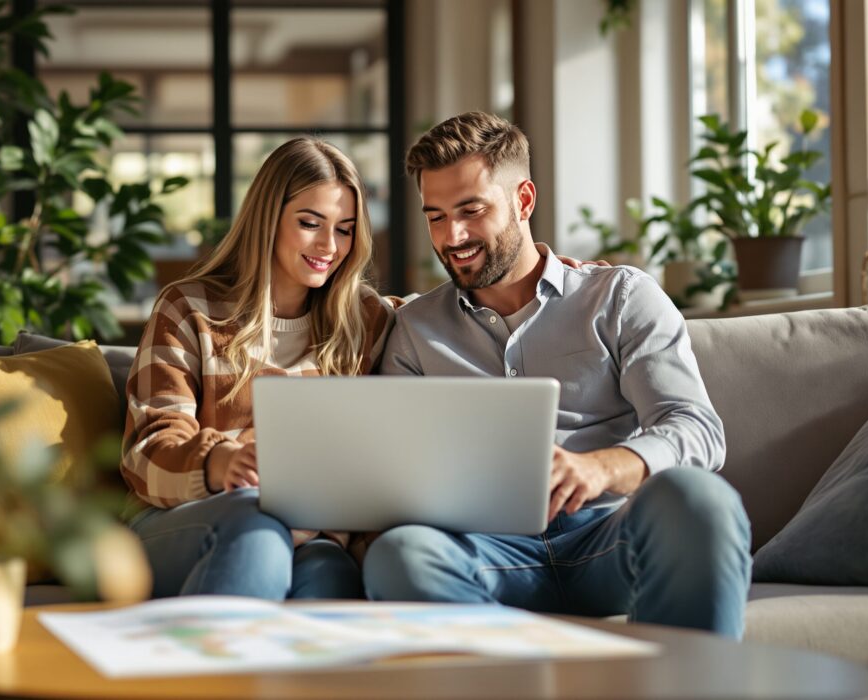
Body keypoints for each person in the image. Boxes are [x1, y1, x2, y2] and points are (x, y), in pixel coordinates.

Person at [363, 112, 753, 639]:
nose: (451, 236)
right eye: (435, 216)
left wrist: (600, 468)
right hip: (489, 554)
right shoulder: (414, 329)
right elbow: (396, 467)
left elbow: (696, 428)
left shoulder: (618, 297)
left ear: (523, 200)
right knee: (401, 553)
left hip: (608, 540)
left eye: (471, 210)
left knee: (702, 499)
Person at [120, 137, 396, 600]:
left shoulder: (364, 319)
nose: (330, 246)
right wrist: (221, 462)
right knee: (257, 525)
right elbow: (145, 451)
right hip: (185, 521)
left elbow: (448, 313)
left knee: (331, 576)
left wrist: (540, 279)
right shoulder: (189, 309)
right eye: (311, 223)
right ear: (268, 220)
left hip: (310, 534)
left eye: (345, 229)